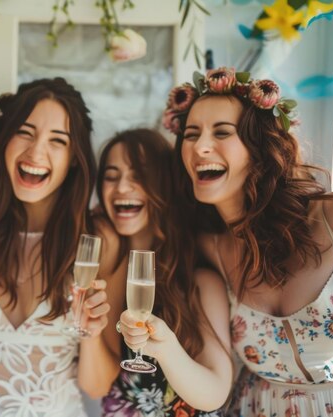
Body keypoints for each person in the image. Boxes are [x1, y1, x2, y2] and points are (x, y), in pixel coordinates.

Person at [166, 67, 333, 415]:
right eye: (191, 134)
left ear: (258, 146)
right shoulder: (207, 250)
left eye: (222, 132)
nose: (200, 146)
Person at [0, 77, 110, 416]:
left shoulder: (98, 243)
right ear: (5, 139)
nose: (36, 152)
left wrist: (92, 334)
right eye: (25, 132)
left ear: (75, 159)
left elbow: (97, 386)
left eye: (58, 140)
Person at [81, 129, 231, 416]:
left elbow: (215, 393)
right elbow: (95, 385)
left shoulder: (199, 281)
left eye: (138, 175)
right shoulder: (110, 273)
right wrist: (89, 331)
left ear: (165, 186)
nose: (122, 187)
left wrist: (165, 349)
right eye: (111, 176)